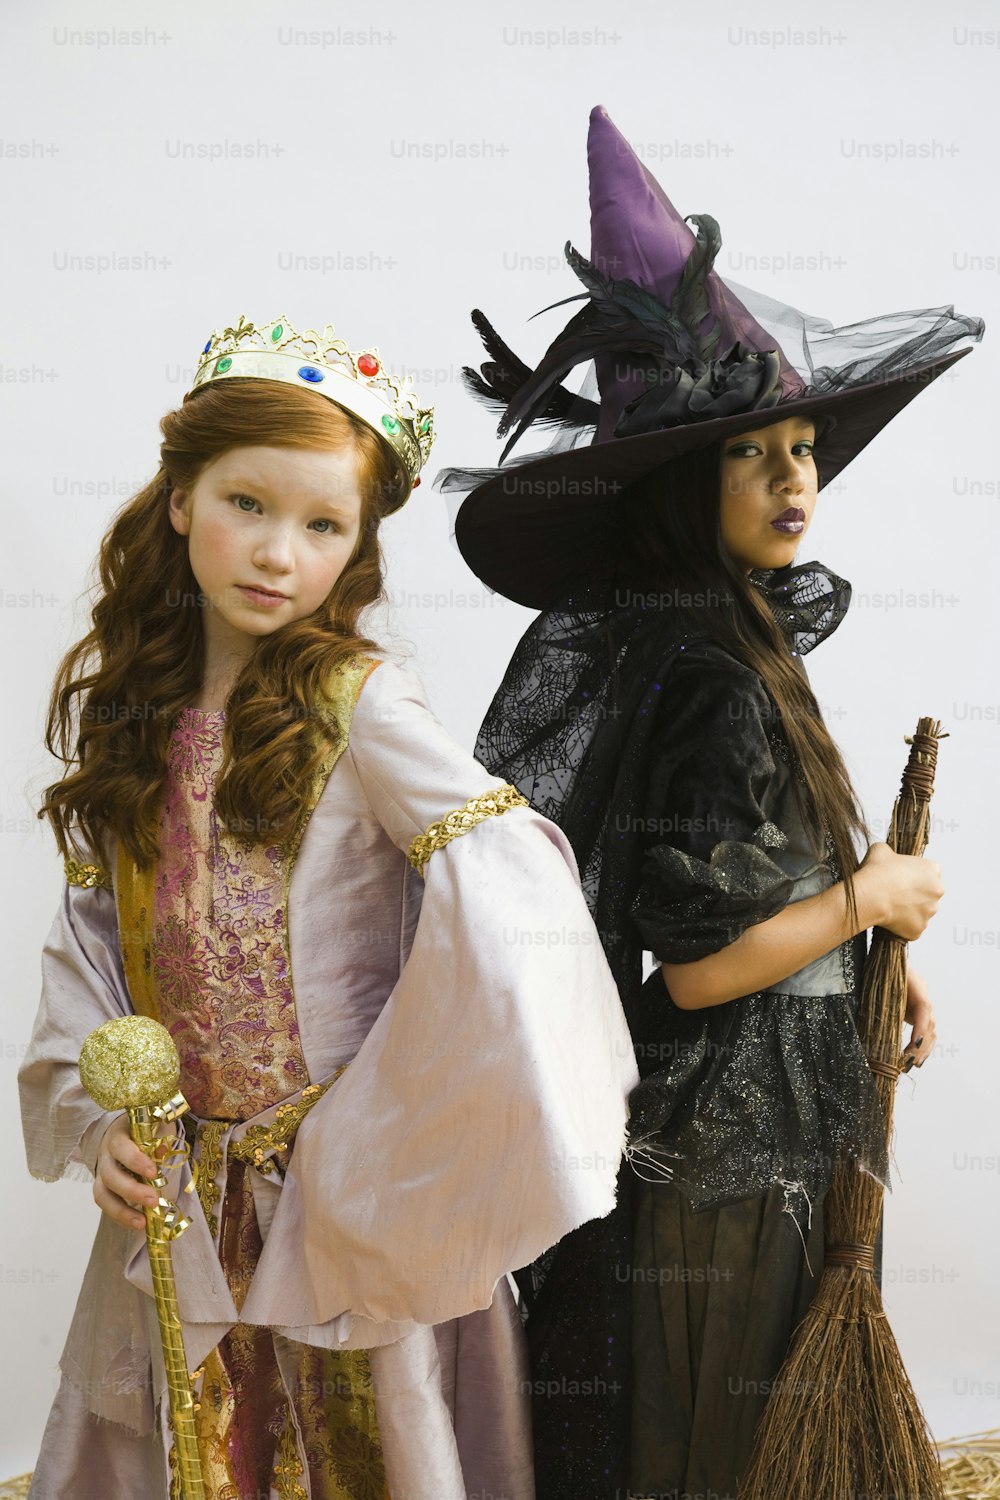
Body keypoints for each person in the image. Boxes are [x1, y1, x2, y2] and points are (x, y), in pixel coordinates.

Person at [437, 105, 984, 1499]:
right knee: (705, 1439)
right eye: (754, 453)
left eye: (803, 447)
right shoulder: (710, 674)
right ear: (687, 483)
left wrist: (868, 952)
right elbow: (690, 969)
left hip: (767, 1118)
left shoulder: (731, 641)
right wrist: (864, 899)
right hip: (720, 1143)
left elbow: (752, 873)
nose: (795, 476)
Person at [18, 313, 640, 1499]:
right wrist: (101, 1122)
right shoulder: (130, 715)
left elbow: (514, 878)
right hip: (180, 1196)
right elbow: (91, 944)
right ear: (179, 500)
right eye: (246, 504)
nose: (275, 554)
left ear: (352, 550)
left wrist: (394, 1124)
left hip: (341, 1211)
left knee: (374, 1439)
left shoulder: (358, 706)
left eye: (321, 528)